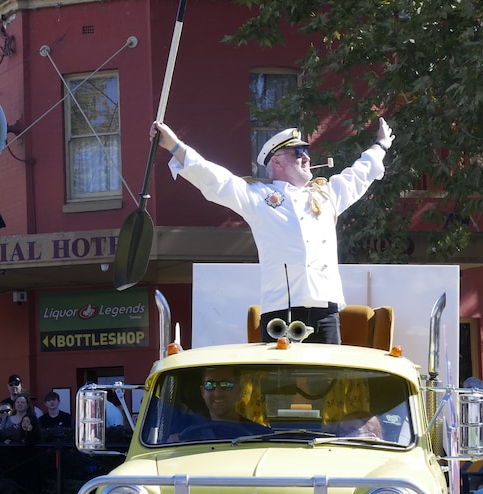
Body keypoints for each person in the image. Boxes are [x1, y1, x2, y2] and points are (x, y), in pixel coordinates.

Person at [151, 118, 395, 344]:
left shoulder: (326, 195)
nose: (307, 158)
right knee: (280, 387)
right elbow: (216, 180)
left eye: (307, 152)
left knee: (329, 384)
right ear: (276, 161)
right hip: (281, 310)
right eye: (299, 153)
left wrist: (380, 145)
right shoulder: (258, 197)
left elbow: (359, 175)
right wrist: (174, 145)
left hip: (326, 310)